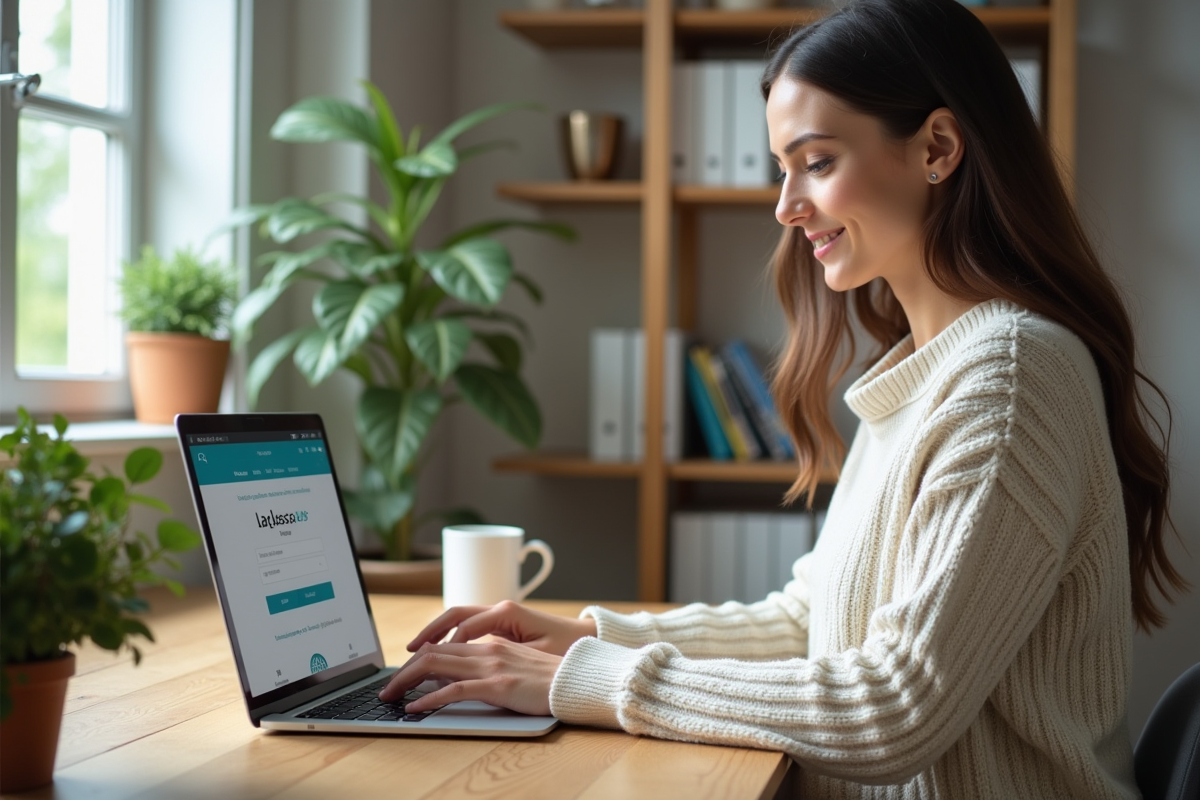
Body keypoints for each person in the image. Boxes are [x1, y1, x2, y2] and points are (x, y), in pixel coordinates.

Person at [380, 0, 1187, 796]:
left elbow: (892, 709)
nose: (785, 205)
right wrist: (587, 636)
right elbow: (811, 622)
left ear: (938, 147)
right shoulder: (934, 370)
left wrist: (588, 679)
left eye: (819, 161)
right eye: (782, 167)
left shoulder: (1008, 379)